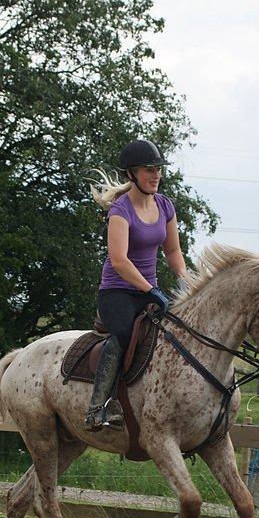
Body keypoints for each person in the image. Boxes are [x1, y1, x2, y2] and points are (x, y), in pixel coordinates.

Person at [86, 139, 188, 431]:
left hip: (147, 291)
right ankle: (97, 408)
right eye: (149, 170)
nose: (156, 175)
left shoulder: (166, 205)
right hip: (118, 292)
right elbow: (118, 260)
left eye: (158, 169)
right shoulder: (120, 210)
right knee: (124, 333)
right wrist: (150, 289)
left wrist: (185, 279)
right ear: (132, 174)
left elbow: (172, 251)